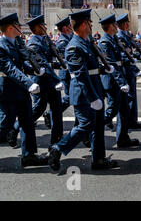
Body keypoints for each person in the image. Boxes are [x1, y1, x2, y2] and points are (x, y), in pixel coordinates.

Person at [48, 9, 118, 171]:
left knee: (98, 126)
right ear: (81, 25)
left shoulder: (86, 42)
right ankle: (58, 148)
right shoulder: (73, 46)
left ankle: (98, 159)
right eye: (88, 22)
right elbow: (80, 76)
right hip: (84, 94)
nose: (91, 25)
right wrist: (93, 98)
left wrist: (103, 69)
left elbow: (91, 69)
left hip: (95, 90)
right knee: (85, 126)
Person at [8, 15, 64, 149]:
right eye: (43, 26)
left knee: (57, 109)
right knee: (38, 109)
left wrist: (61, 64)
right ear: (37, 28)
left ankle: (56, 141)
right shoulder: (34, 43)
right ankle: (15, 129)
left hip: (51, 80)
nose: (45, 27)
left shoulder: (45, 40)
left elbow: (50, 61)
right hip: (41, 81)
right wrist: (57, 79)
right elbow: (42, 63)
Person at [0, 13, 48, 167]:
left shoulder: (16, 42)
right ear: (9, 28)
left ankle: (29, 155)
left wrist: (34, 70)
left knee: (27, 122)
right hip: (7, 91)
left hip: (20, 89)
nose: (20, 28)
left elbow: (21, 65)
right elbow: (10, 69)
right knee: (4, 124)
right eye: (17, 26)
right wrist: (29, 83)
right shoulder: (1, 47)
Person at [99, 14, 140, 148]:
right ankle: (91, 130)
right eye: (115, 25)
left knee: (124, 110)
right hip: (112, 81)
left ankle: (122, 138)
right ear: (110, 26)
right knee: (112, 109)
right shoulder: (105, 41)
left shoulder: (114, 38)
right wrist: (122, 82)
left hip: (119, 78)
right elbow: (111, 64)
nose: (117, 27)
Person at [116, 13, 141, 129]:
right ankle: (128, 121)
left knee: (133, 96)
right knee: (129, 97)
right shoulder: (120, 36)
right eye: (126, 23)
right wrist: (135, 67)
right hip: (126, 69)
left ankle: (132, 120)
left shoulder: (126, 35)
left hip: (130, 68)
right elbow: (124, 55)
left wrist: (137, 55)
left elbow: (130, 52)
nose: (128, 24)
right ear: (122, 25)